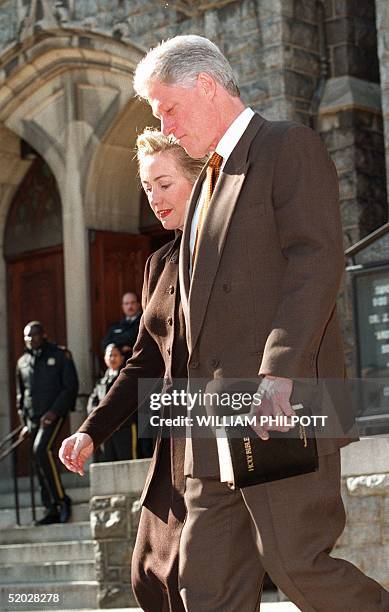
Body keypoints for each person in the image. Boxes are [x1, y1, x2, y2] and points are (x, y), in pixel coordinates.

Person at [132, 35, 389, 611]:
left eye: (168, 108)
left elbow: (316, 261)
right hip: (211, 417)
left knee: (298, 566)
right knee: (207, 581)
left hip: (278, 403)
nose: (166, 126)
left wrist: (279, 372)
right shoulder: (205, 186)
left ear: (205, 85)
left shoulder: (285, 146)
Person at [59, 129, 206, 612]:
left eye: (164, 183)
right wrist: (90, 431)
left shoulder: (232, 245)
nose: (154, 198)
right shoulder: (158, 264)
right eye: (147, 187)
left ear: (198, 176)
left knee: (222, 576)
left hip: (230, 429)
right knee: (150, 574)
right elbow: (142, 361)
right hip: (175, 438)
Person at [16, 321, 79, 525]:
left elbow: (70, 386)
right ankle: (50, 507)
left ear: (43, 335)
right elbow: (21, 395)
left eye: (34, 335)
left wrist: (54, 412)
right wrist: (24, 421)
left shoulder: (60, 355)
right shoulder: (22, 362)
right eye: (27, 337)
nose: (30, 340)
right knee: (38, 459)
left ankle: (62, 500)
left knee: (41, 450)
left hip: (53, 415)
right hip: (32, 420)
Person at [87, 342, 140, 461]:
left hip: (124, 428)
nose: (112, 358)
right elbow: (92, 404)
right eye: (109, 355)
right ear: (105, 359)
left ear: (121, 358)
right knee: (108, 460)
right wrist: (99, 416)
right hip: (105, 431)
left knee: (127, 461)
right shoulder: (101, 382)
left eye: (115, 355)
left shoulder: (126, 379)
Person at [102, 292, 141, 359]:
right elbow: (104, 344)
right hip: (118, 364)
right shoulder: (116, 326)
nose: (130, 306)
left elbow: (134, 340)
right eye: (126, 303)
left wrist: (117, 341)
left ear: (138, 304)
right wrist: (121, 348)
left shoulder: (143, 324)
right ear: (122, 306)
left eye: (132, 303)